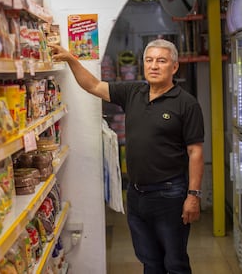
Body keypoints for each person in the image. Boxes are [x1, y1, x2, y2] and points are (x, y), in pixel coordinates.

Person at [49, 39, 204, 274]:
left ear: (174, 67)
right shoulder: (133, 92)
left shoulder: (186, 103)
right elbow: (92, 85)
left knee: (175, 262)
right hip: (136, 193)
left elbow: (195, 152)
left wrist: (193, 195)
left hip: (170, 194)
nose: (154, 66)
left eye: (161, 61)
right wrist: (71, 59)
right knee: (149, 261)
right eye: (149, 60)